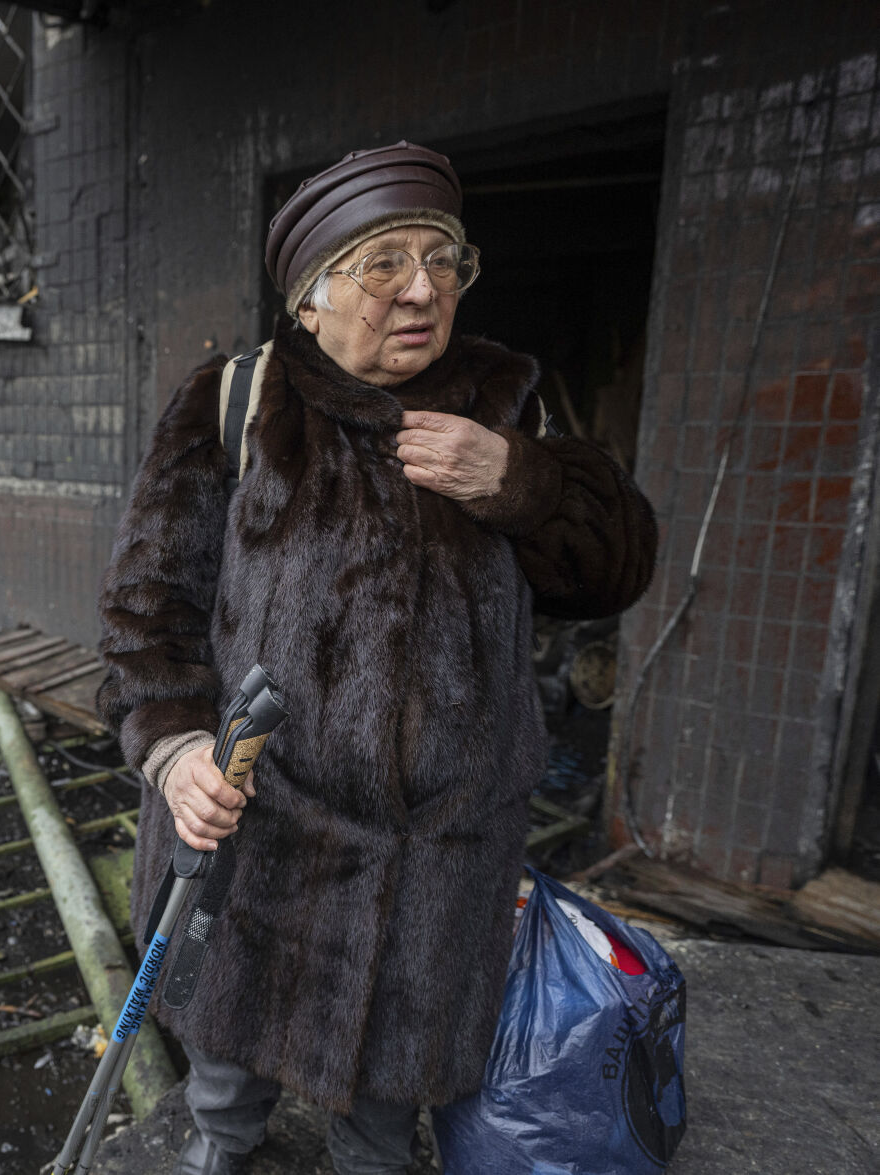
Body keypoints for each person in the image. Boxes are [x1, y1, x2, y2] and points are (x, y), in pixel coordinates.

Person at [94, 142, 658, 1175]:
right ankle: (221, 1146)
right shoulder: (236, 402)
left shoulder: (503, 404)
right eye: (382, 261)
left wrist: (517, 481)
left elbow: (614, 564)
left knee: (391, 1088)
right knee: (229, 1045)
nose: (421, 288)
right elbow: (147, 607)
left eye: (442, 259)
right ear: (308, 298)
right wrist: (174, 749)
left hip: (444, 841)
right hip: (269, 813)